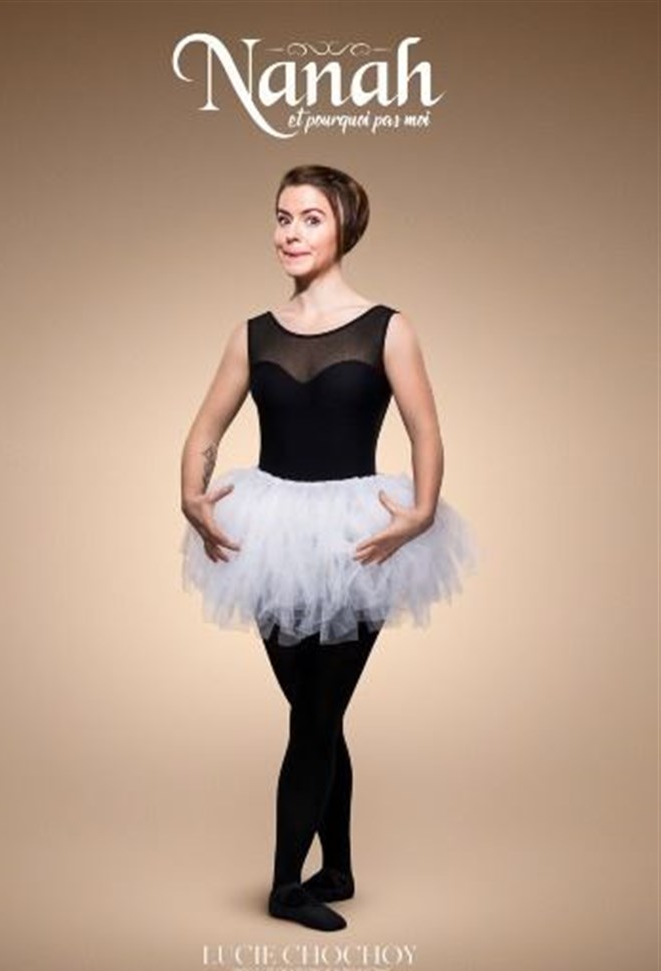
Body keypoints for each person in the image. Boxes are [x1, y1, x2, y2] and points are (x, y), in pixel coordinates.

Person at [179, 164, 478, 932]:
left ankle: (286, 884)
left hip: (356, 540)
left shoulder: (388, 328)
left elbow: (425, 429)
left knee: (315, 713)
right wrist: (190, 492)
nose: (291, 232)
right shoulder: (251, 333)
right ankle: (338, 866)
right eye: (283, 217)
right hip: (272, 536)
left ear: (345, 226)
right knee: (316, 711)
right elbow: (207, 427)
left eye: (310, 217)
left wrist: (421, 512)